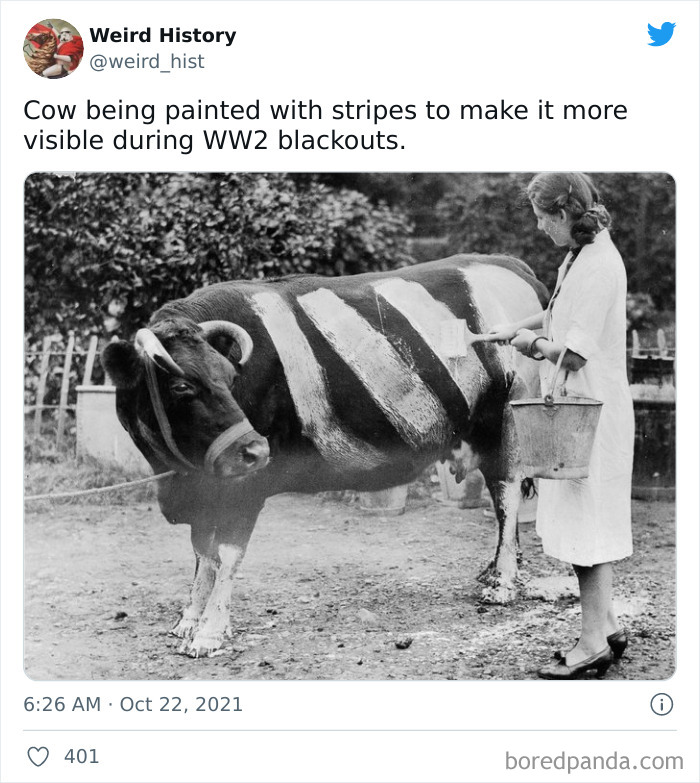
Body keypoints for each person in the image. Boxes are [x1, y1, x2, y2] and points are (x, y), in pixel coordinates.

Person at [490, 172, 634, 679]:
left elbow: (571, 353)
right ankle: (609, 625)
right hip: (580, 408)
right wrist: (517, 327)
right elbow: (556, 315)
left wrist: (526, 347)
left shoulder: (598, 266)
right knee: (583, 521)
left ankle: (593, 642)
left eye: (541, 215)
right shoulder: (579, 257)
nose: (537, 225)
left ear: (564, 212)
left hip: (588, 411)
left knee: (586, 527)